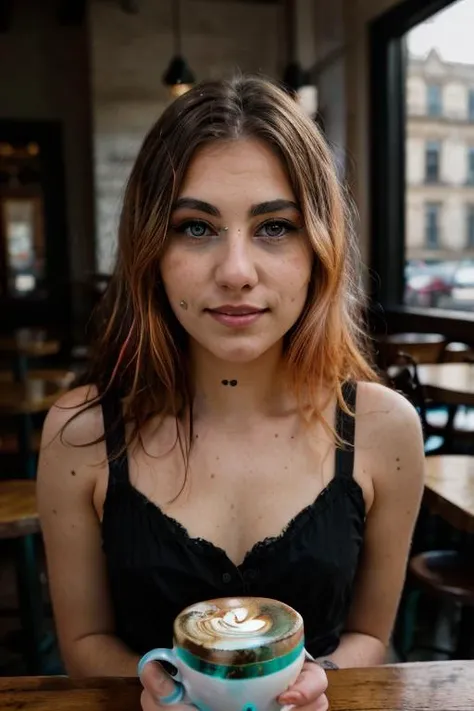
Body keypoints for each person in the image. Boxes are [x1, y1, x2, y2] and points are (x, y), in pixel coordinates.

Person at [37, 75, 425, 711]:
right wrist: (155, 686)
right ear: (149, 251)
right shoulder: (79, 432)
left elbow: (369, 635)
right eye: (195, 227)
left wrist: (316, 680)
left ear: (321, 249)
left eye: (275, 227)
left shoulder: (383, 428)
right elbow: (84, 640)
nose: (236, 272)